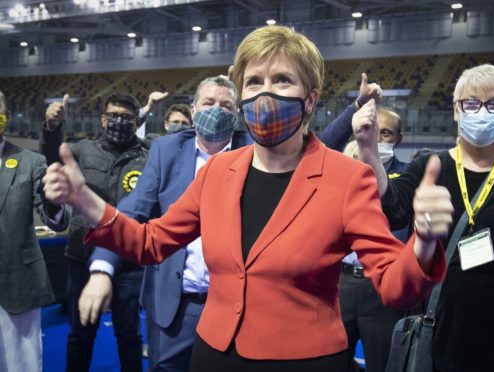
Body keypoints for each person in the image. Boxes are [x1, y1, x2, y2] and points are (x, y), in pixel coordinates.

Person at [43, 25, 453, 372]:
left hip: (302, 360)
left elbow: (396, 288)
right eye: (254, 81)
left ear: (310, 99)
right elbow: (151, 243)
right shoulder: (220, 170)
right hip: (213, 354)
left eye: (282, 80)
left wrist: (424, 241)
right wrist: (86, 202)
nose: (265, 93)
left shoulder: (348, 178)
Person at [80, 70, 381, 372]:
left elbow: (319, 144)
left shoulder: (260, 148)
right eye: (208, 102)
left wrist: (354, 108)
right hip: (176, 304)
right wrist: (102, 268)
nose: (216, 110)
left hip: (243, 309)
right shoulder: (167, 150)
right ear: (194, 110)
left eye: (225, 106)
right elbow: (135, 212)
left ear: (238, 114)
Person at [355, 63, 494, 371]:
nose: (482, 111)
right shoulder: (431, 165)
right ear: (457, 110)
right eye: (471, 103)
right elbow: (392, 208)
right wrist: (368, 150)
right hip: (444, 332)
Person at [40, 93, 149, 372]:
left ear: (137, 121)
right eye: (114, 116)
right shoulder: (83, 150)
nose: (119, 122)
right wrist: (52, 130)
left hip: (129, 261)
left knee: (129, 336)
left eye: (126, 117)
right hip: (82, 256)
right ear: (103, 119)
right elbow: (54, 159)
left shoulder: (149, 156)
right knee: (80, 334)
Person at [0, 90, 68, 371]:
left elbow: (55, 219)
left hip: (18, 285)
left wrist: (55, 197)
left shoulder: (30, 162)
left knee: (20, 366)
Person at [340, 107, 410, 372]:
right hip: (342, 281)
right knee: (332, 358)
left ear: (398, 139)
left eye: (386, 133)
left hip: (383, 285)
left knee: (383, 362)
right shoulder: (342, 170)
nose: (377, 138)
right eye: (372, 129)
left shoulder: (406, 177)